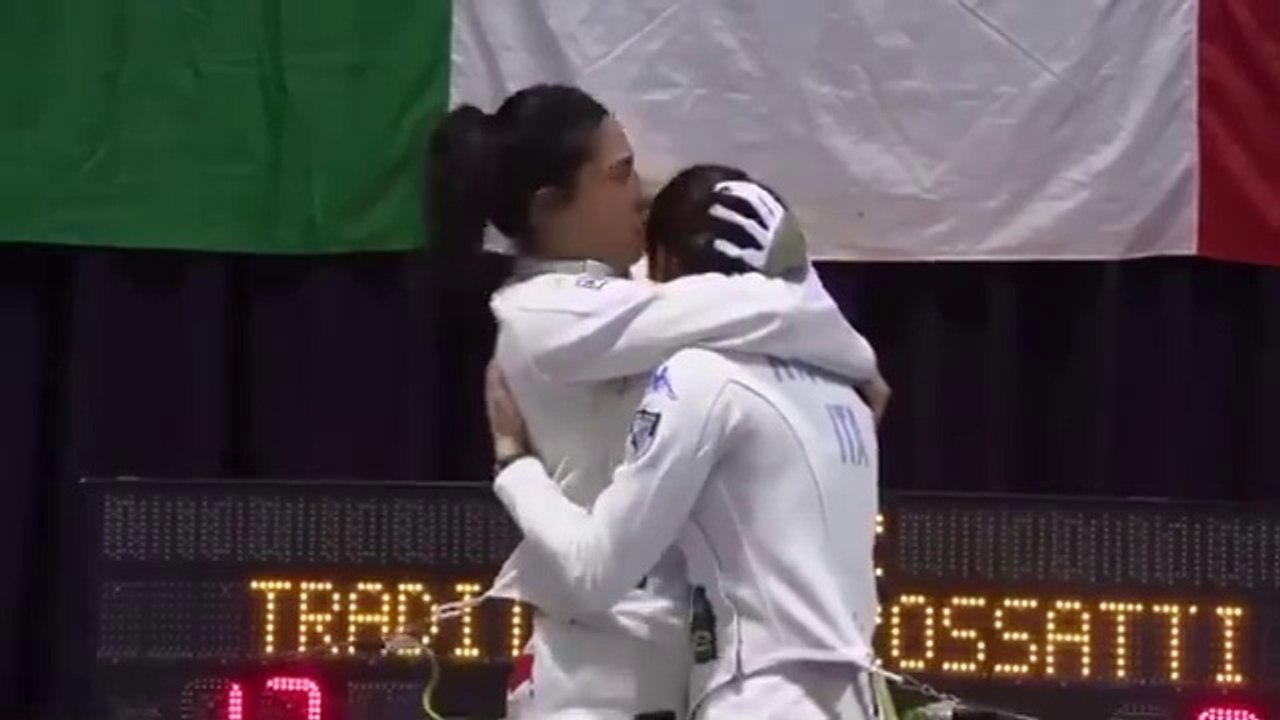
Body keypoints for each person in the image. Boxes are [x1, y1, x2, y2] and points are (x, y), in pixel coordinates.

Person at [425, 85, 887, 719]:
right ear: (551, 206)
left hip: (679, 671)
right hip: (593, 679)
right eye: (618, 176)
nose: (640, 192)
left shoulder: (622, 299)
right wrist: (857, 359)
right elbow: (772, 304)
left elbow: (765, 310)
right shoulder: (548, 316)